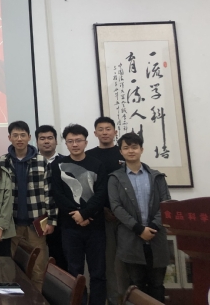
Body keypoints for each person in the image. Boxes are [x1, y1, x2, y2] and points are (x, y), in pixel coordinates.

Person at [108, 132, 171, 302]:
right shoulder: (115, 178)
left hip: (156, 237)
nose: (131, 151)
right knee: (136, 285)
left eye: (134, 147)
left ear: (141, 149)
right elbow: (116, 207)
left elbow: (166, 204)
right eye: (126, 148)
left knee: (157, 285)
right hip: (131, 238)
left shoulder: (157, 176)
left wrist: (154, 227)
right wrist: (138, 229)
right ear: (121, 151)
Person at [51, 124, 107, 305]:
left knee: (98, 272)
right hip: (70, 227)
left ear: (86, 142)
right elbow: (58, 194)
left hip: (95, 227)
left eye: (78, 140)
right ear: (66, 144)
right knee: (74, 272)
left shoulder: (97, 165)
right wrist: (76, 215)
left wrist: (85, 214)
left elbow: (101, 194)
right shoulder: (57, 165)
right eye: (70, 141)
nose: (75, 144)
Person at [0, 121, 57, 290]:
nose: (19, 139)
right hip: (11, 224)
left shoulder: (41, 161)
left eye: (23, 135)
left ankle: (36, 299)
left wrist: (52, 221)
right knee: (10, 268)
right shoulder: (3, 161)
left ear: (29, 137)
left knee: (38, 269)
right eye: (15, 135)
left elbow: (49, 192)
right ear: (9, 138)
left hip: (36, 224)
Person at [86, 117, 127, 305]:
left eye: (108, 129)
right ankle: (112, 300)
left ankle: (130, 299)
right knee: (107, 263)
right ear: (95, 133)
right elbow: (88, 189)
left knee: (128, 261)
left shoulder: (124, 153)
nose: (104, 132)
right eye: (100, 129)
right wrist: (101, 209)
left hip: (126, 218)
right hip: (102, 217)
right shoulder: (89, 156)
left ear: (115, 132)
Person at [35, 125, 68, 270]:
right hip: (36, 218)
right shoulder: (31, 162)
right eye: (42, 138)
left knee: (60, 257)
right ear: (36, 142)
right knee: (36, 259)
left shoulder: (66, 162)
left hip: (61, 219)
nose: (46, 141)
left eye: (50, 138)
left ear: (56, 141)